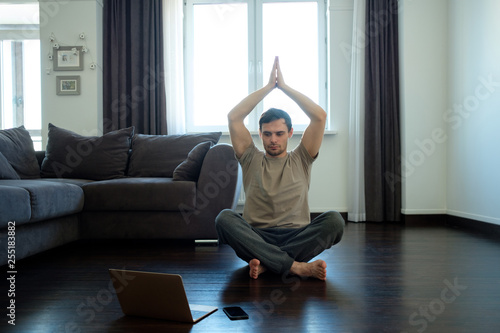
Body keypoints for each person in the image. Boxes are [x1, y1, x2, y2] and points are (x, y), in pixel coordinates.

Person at [215, 57, 344, 280]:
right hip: (257, 237)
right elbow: (234, 117)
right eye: (267, 134)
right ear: (260, 134)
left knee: (335, 220)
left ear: (290, 133)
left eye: (279, 133)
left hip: (297, 236)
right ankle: (295, 267)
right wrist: (267, 88)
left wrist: (283, 87)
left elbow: (320, 116)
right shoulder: (250, 157)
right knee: (224, 219)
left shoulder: (302, 158)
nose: (273, 139)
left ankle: (269, 263)